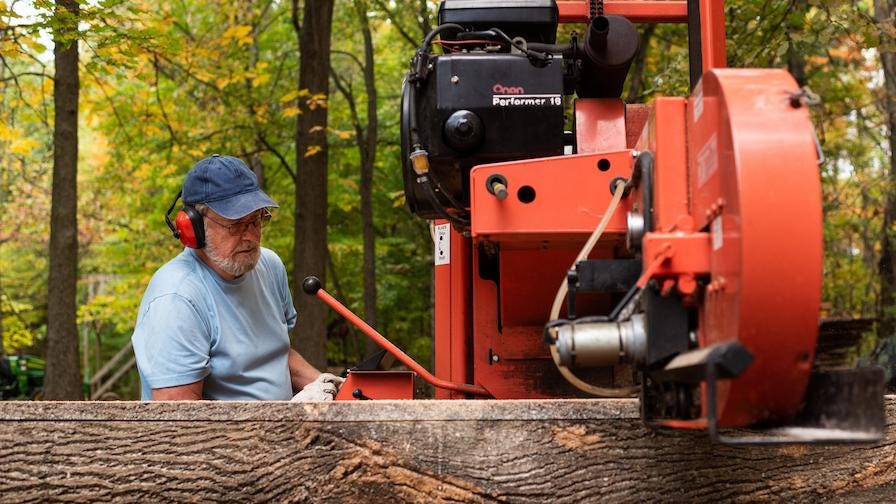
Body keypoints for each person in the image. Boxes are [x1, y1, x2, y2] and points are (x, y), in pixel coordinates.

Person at [131, 154, 342, 401]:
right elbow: (181, 425)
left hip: (284, 428)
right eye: (236, 224)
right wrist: (285, 419)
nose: (251, 235)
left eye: (256, 220)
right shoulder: (177, 299)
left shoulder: (269, 266)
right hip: (223, 437)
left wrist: (329, 389)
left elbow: (277, 355)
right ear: (193, 228)